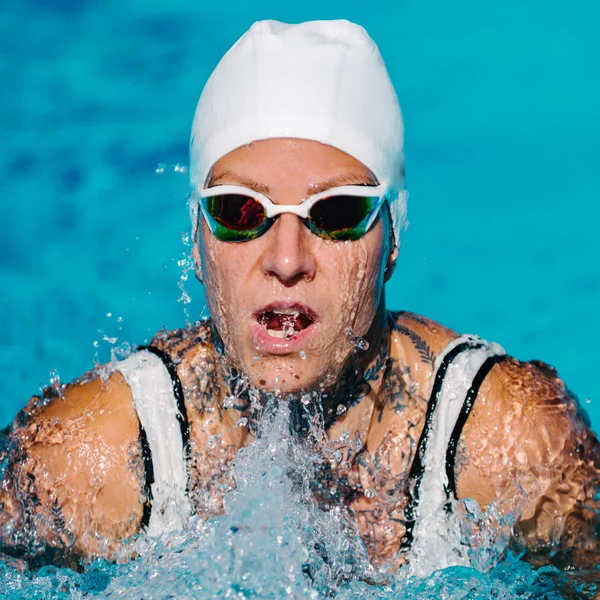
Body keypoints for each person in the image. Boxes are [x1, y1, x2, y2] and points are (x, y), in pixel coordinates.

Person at [1, 19, 599, 579]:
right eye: (241, 211)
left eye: (337, 213)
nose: (287, 260)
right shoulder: (91, 456)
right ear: (196, 236)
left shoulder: (508, 443)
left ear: (394, 236)